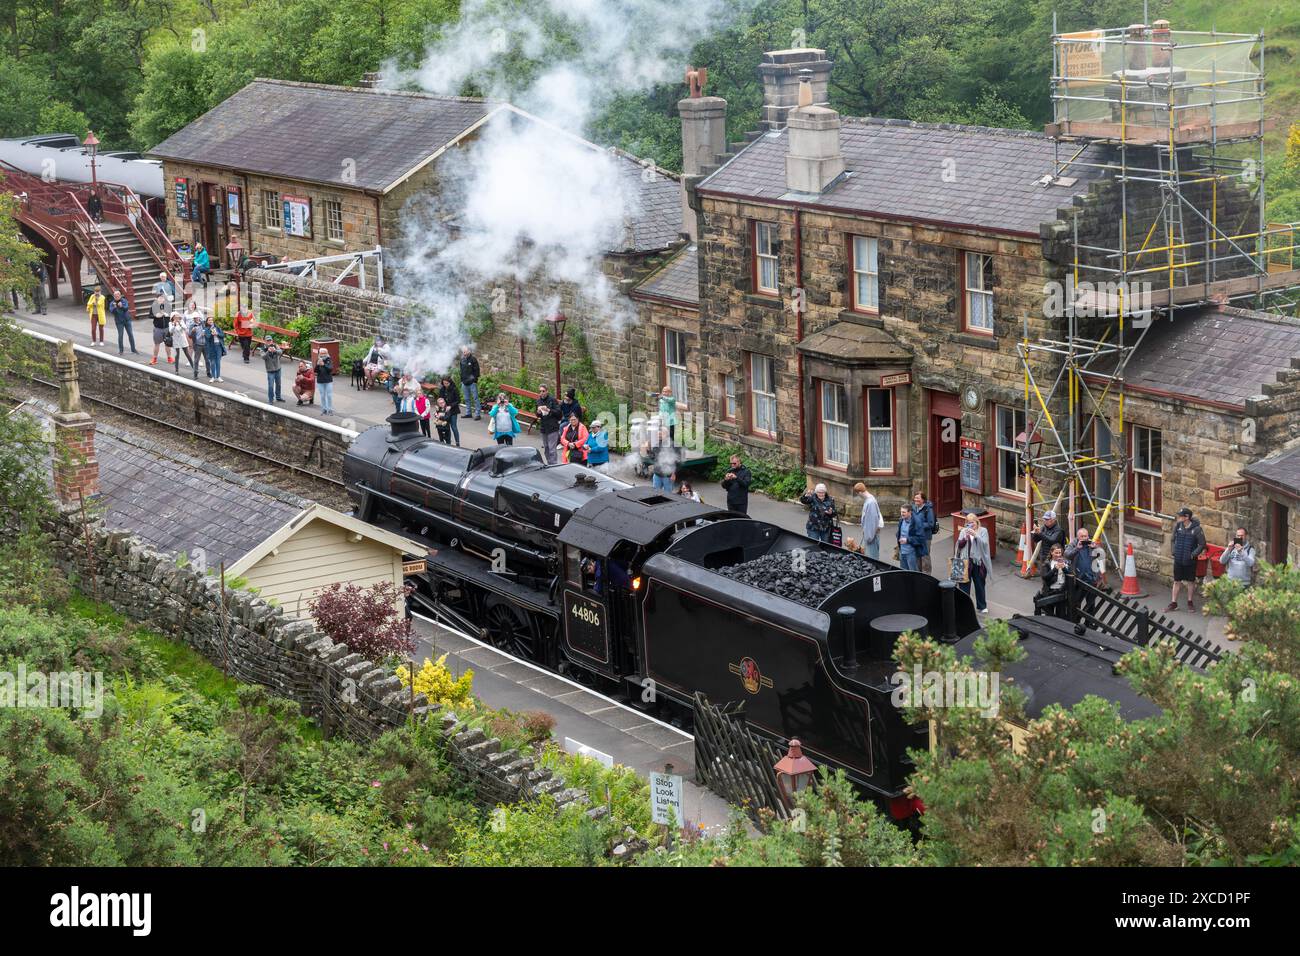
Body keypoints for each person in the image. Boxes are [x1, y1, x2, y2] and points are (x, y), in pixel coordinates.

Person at [1167, 507, 1206, 612]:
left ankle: (1190, 602)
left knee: (1190, 581)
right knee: (1176, 581)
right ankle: (1174, 603)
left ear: (1187, 517)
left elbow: (1202, 544)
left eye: (1180, 516)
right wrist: (1173, 551)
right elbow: (1172, 539)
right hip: (1179, 559)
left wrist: (1193, 554)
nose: (1178, 517)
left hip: (1190, 561)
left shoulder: (1197, 529)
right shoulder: (1178, 526)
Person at [955, 511, 991, 614]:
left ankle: (982, 606)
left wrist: (976, 535)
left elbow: (984, 544)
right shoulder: (964, 531)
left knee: (980, 584)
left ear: (977, 522)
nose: (971, 525)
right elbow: (959, 545)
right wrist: (965, 538)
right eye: (969, 523)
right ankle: (965, 607)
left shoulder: (983, 531)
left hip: (979, 562)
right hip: (966, 561)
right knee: (964, 586)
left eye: (973, 522)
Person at [1036, 544, 1070, 618]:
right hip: (1050, 591)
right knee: (1049, 614)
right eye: (1056, 553)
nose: (1058, 555)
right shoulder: (1047, 563)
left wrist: (1064, 568)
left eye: (1059, 553)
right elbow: (1045, 577)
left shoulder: (1065, 562)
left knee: (1061, 615)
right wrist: (1055, 569)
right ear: (1051, 553)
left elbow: (1070, 575)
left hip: (1061, 591)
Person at [851, 482, 883, 560]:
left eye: (858, 494)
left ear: (860, 492)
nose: (859, 496)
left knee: (872, 559)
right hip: (870, 534)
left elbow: (872, 522)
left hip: (871, 536)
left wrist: (868, 537)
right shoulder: (870, 500)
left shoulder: (870, 502)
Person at [535, 384, 562, 465]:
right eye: (540, 391)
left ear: (547, 391)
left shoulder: (553, 400)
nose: (541, 393)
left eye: (543, 391)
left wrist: (549, 410)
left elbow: (559, 414)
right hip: (544, 427)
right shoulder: (538, 401)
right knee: (546, 448)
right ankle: (549, 463)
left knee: (552, 448)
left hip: (553, 427)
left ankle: (553, 464)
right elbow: (537, 414)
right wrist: (538, 412)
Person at [911, 492, 937, 573]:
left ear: (923, 499)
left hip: (925, 537)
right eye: (915, 498)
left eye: (918, 498)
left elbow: (931, 524)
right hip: (916, 536)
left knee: (925, 557)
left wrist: (918, 524)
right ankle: (919, 574)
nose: (916, 500)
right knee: (917, 556)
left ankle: (926, 575)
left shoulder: (928, 509)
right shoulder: (913, 508)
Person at [107, 289, 136, 354]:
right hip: (119, 322)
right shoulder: (112, 303)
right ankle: (121, 350)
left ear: (120, 295)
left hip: (127, 320)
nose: (117, 296)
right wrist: (114, 308)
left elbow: (126, 308)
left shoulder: (124, 300)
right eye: (115, 296)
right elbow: (112, 312)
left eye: (118, 295)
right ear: (114, 296)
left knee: (130, 334)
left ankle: (133, 349)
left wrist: (122, 306)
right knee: (120, 335)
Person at [260, 337, 286, 403]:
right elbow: (263, 357)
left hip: (278, 369)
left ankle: (278, 397)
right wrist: (268, 351)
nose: (269, 342)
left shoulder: (276, 345)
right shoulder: (263, 348)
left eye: (270, 340)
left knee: (278, 384)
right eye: (267, 341)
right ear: (265, 342)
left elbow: (280, 352)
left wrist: (275, 351)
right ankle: (271, 400)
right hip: (270, 371)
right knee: (271, 386)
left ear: (272, 341)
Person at [149, 295, 173, 366]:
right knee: (157, 344)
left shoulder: (168, 305)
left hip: (166, 327)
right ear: (156, 299)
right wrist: (156, 316)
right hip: (158, 328)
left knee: (168, 343)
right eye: (160, 298)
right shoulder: (154, 306)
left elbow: (171, 314)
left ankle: (169, 358)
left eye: (162, 298)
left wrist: (167, 314)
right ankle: (154, 359)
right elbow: (150, 315)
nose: (161, 299)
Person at [438, 376, 461, 446]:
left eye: (447, 383)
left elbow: (458, 400)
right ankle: (448, 442)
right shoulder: (442, 389)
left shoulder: (454, 389)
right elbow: (440, 399)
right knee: (446, 427)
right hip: (445, 410)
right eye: (444, 383)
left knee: (453, 426)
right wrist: (439, 406)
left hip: (453, 409)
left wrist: (450, 406)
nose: (445, 385)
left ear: (450, 383)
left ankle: (457, 442)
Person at [459, 346, 481, 419]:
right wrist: (462, 380)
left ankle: (478, 414)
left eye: (465, 352)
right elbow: (461, 371)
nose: (464, 353)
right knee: (466, 398)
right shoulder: (462, 360)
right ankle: (468, 413)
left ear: (469, 351)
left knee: (475, 398)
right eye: (463, 352)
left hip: (472, 383)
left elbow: (477, 371)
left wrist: (474, 380)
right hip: (464, 382)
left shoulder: (473, 359)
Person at [896, 505, 921, 571]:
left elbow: (920, 539)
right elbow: (899, 532)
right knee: (903, 572)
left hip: (912, 553)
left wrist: (907, 540)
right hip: (902, 551)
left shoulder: (916, 522)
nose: (902, 514)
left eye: (904, 512)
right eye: (901, 512)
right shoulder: (901, 520)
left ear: (910, 512)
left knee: (913, 573)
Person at [202, 315, 225, 382]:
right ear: (207, 322)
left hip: (218, 346)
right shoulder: (206, 329)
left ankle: (218, 376)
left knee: (218, 362)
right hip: (211, 347)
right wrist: (212, 333)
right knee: (212, 362)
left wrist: (217, 333)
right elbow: (208, 337)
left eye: (212, 320)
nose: (211, 321)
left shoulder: (217, 327)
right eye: (209, 320)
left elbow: (222, 335)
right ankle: (213, 377)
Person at [314, 348, 334, 416]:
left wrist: (324, 365)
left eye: (324, 353)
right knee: (322, 395)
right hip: (320, 380)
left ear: (327, 353)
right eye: (321, 353)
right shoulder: (318, 360)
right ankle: (324, 409)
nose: (322, 355)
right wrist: (317, 365)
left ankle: (330, 409)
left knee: (329, 395)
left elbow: (330, 369)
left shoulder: (329, 360)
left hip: (328, 380)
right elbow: (315, 370)